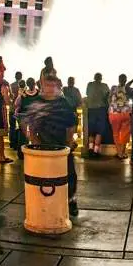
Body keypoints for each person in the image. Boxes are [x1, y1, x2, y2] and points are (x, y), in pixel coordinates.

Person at [20, 75, 80, 216]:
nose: (50, 89)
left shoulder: (64, 103)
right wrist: (33, 139)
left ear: (57, 87)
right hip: (43, 147)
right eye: (47, 86)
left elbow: (71, 124)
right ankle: (46, 202)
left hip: (62, 147)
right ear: (42, 87)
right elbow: (25, 121)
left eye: (53, 86)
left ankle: (71, 200)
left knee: (69, 175)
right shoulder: (37, 103)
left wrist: (69, 142)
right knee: (43, 177)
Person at [84, 73, 110, 156]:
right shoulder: (104, 86)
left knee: (91, 131)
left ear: (94, 78)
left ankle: (90, 149)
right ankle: (95, 151)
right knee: (99, 132)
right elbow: (107, 96)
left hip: (91, 109)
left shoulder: (90, 85)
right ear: (101, 78)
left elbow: (87, 94)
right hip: (101, 110)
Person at [108, 74, 133, 160]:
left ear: (118, 79)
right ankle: (123, 152)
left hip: (114, 113)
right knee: (125, 134)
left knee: (116, 134)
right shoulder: (128, 89)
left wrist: (111, 106)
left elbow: (109, 98)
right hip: (126, 113)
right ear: (125, 80)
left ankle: (119, 153)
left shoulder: (113, 88)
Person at [9, 71, 25, 156]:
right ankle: (18, 145)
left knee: (12, 127)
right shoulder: (24, 87)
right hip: (20, 111)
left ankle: (12, 143)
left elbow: (10, 97)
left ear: (15, 77)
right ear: (21, 77)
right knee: (21, 128)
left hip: (12, 109)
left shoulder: (11, 85)